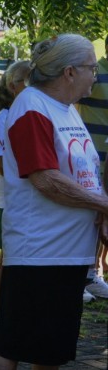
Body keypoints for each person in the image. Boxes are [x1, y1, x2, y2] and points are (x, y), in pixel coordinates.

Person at [0, 34, 107, 370]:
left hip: (71, 247)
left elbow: (82, 173)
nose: (95, 74)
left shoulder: (66, 108)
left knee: (53, 338)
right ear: (69, 71)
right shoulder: (32, 108)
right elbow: (45, 178)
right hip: (37, 247)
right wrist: (104, 204)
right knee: (13, 340)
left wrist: (100, 214)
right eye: (90, 66)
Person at [0, 61, 30, 306]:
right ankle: (3, 312)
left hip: (29, 198)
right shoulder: (2, 120)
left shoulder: (26, 113)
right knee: (8, 257)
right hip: (10, 199)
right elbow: (2, 167)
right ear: (13, 86)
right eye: (29, 81)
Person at [76, 53, 108, 301]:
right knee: (91, 213)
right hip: (92, 155)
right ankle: (82, 276)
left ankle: (93, 273)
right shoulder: (95, 73)